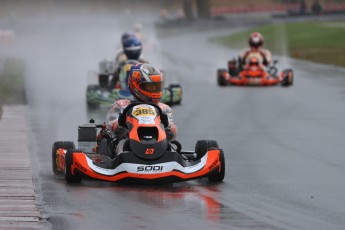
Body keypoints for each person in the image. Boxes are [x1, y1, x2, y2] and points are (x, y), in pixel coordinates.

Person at [103, 63, 177, 156]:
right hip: (129, 147)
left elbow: (171, 136)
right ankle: (125, 163)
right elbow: (113, 131)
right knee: (124, 144)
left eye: (156, 87)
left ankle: (170, 163)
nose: (154, 91)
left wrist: (166, 125)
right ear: (135, 85)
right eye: (149, 87)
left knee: (169, 146)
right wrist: (121, 123)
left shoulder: (164, 109)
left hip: (159, 146)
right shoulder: (121, 106)